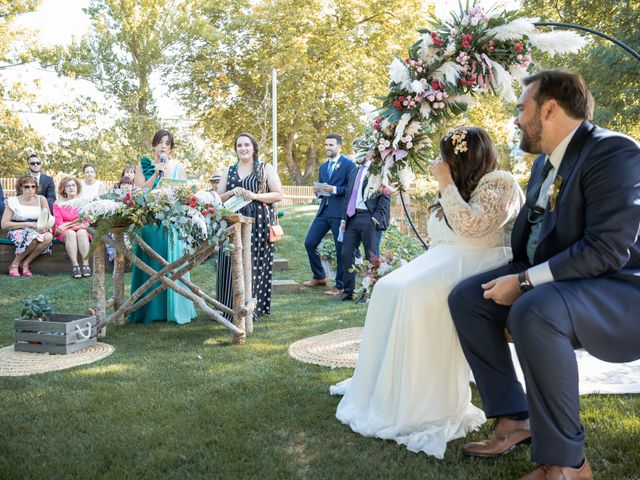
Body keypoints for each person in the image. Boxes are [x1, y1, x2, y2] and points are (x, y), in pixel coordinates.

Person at [448, 70, 640, 480]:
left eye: (522, 108)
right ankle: (515, 418)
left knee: (533, 310)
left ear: (550, 109)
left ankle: (568, 464)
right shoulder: (542, 166)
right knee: (467, 298)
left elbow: (607, 249)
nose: (517, 119)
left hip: (616, 286)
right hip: (559, 278)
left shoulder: (613, 151)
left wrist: (523, 282)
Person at [332, 127, 524, 460]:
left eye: (448, 157)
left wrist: (446, 181)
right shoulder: (459, 185)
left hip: (485, 261)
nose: (441, 163)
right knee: (389, 288)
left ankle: (419, 403)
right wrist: (448, 186)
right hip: (448, 258)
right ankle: (383, 390)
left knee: (412, 292)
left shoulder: (501, 182)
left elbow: (471, 227)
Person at [129, 129, 197, 324]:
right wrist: (156, 173)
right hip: (149, 221)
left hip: (171, 220)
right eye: (160, 142)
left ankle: (171, 309)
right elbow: (139, 191)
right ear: (154, 145)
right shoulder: (143, 165)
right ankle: (147, 310)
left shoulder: (178, 167)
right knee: (150, 261)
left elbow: (184, 194)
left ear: (171, 148)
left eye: (167, 143)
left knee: (169, 261)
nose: (163, 146)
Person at [216, 132, 283, 320]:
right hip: (231, 222)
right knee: (229, 260)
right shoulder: (229, 170)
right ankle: (228, 307)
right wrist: (230, 192)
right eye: (239, 145)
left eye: (246, 145)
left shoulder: (264, 168)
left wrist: (255, 196)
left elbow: (278, 194)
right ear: (235, 149)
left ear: (253, 147)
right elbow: (217, 198)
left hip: (258, 224)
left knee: (253, 262)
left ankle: (253, 307)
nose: (243, 148)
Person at [303, 134, 356, 296]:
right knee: (310, 242)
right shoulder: (323, 167)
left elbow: (352, 190)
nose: (328, 148)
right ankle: (319, 276)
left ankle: (340, 286)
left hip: (340, 213)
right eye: (326, 145)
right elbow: (322, 189)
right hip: (324, 211)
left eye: (331, 145)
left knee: (340, 248)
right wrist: (318, 191)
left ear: (339, 146)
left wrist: (334, 189)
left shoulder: (349, 164)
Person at [338, 154, 391, 301]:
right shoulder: (354, 171)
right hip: (352, 217)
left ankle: (369, 294)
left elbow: (385, 196)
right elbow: (348, 196)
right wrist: (344, 219)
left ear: (369, 153)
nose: (358, 154)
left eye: (361, 151)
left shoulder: (379, 170)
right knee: (346, 253)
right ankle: (348, 292)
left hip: (369, 218)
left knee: (371, 257)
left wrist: (376, 219)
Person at [1, 175, 55, 276]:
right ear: (21, 187)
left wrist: (45, 227)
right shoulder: (13, 201)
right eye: (27, 186)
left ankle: (25, 263)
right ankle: (14, 264)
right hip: (18, 229)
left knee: (48, 237)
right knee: (33, 237)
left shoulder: (41, 199)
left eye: (33, 186)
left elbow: (48, 217)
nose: (30, 189)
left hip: (37, 228)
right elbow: (4, 224)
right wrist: (27, 224)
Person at [53, 177, 92, 278]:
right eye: (68, 186)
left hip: (80, 230)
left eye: (73, 185)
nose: (71, 188)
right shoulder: (58, 203)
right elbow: (59, 225)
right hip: (64, 233)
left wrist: (68, 225)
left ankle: (86, 264)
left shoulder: (83, 202)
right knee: (71, 233)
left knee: (82, 232)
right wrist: (75, 225)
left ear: (77, 187)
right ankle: (75, 266)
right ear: (64, 189)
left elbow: (86, 223)